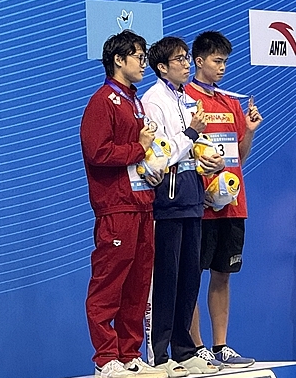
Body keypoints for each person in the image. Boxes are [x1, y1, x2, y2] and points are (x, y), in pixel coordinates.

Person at [80, 30, 167, 378]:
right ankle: (105, 358)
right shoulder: (103, 101)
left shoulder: (135, 102)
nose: (144, 64)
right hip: (116, 206)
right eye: (139, 57)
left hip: (143, 202)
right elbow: (98, 152)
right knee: (109, 284)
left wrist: (153, 165)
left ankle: (130, 353)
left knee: (137, 284)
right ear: (119, 60)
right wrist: (139, 149)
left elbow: (141, 153)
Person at [140, 37, 224, 377]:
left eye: (188, 57)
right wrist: (191, 133)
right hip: (167, 197)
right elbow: (160, 155)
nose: (187, 63)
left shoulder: (186, 97)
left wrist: (212, 157)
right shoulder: (152, 101)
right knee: (167, 277)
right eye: (179, 59)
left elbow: (196, 143)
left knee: (190, 277)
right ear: (162, 67)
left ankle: (185, 349)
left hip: (192, 194)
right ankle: (160, 354)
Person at [184, 31, 262, 369]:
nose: (222, 68)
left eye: (225, 62)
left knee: (222, 274)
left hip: (232, 202)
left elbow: (239, 157)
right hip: (198, 203)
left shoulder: (231, 102)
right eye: (217, 61)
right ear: (198, 61)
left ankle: (221, 346)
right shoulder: (184, 99)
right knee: (192, 275)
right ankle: (195, 346)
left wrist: (250, 131)